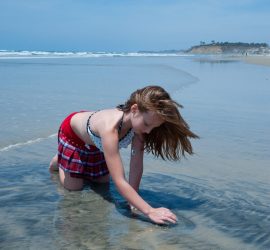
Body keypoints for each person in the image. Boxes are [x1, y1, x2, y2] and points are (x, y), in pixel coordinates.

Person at [49, 85, 199, 224]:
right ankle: (60, 160)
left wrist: (134, 202)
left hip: (98, 144)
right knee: (74, 188)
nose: (148, 131)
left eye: (153, 127)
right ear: (134, 109)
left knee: (102, 182)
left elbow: (136, 166)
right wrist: (149, 210)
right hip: (73, 134)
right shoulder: (109, 129)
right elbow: (119, 179)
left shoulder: (139, 129)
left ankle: (78, 160)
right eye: (147, 124)